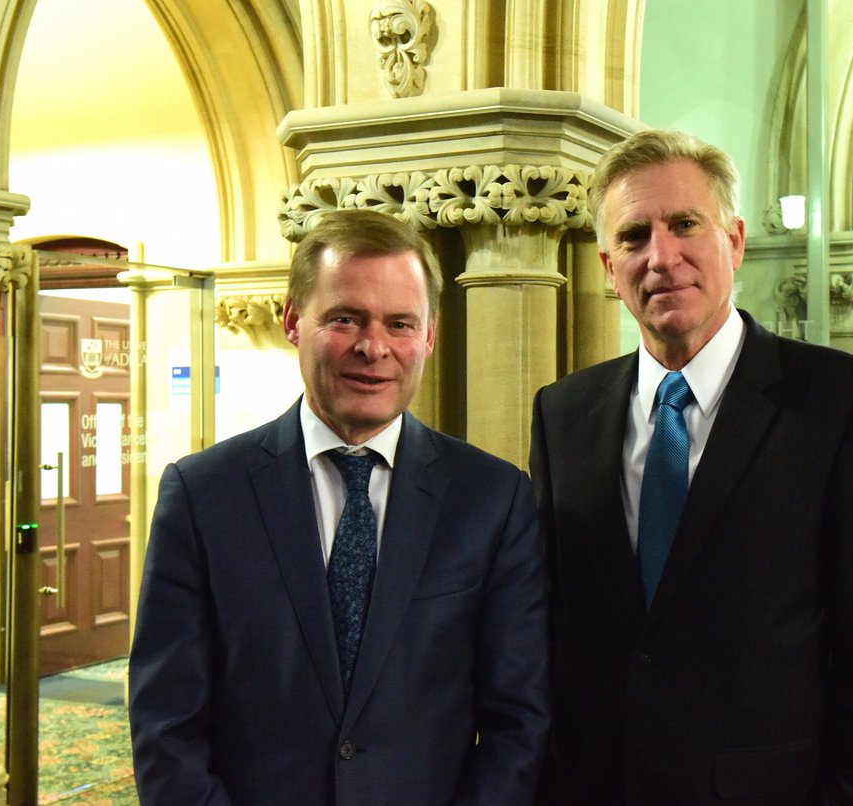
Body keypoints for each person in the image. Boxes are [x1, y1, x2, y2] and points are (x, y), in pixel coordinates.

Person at [530, 129, 853, 804]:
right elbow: (553, 628)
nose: (662, 257)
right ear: (607, 267)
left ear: (735, 241)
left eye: (686, 224)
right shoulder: (563, 412)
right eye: (633, 237)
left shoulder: (849, 405)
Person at [130, 208, 549, 805]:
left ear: (429, 336)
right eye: (345, 318)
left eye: (400, 323)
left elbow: (519, 722)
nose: (373, 347)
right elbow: (165, 722)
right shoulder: (202, 495)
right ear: (293, 321)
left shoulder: (492, 499)